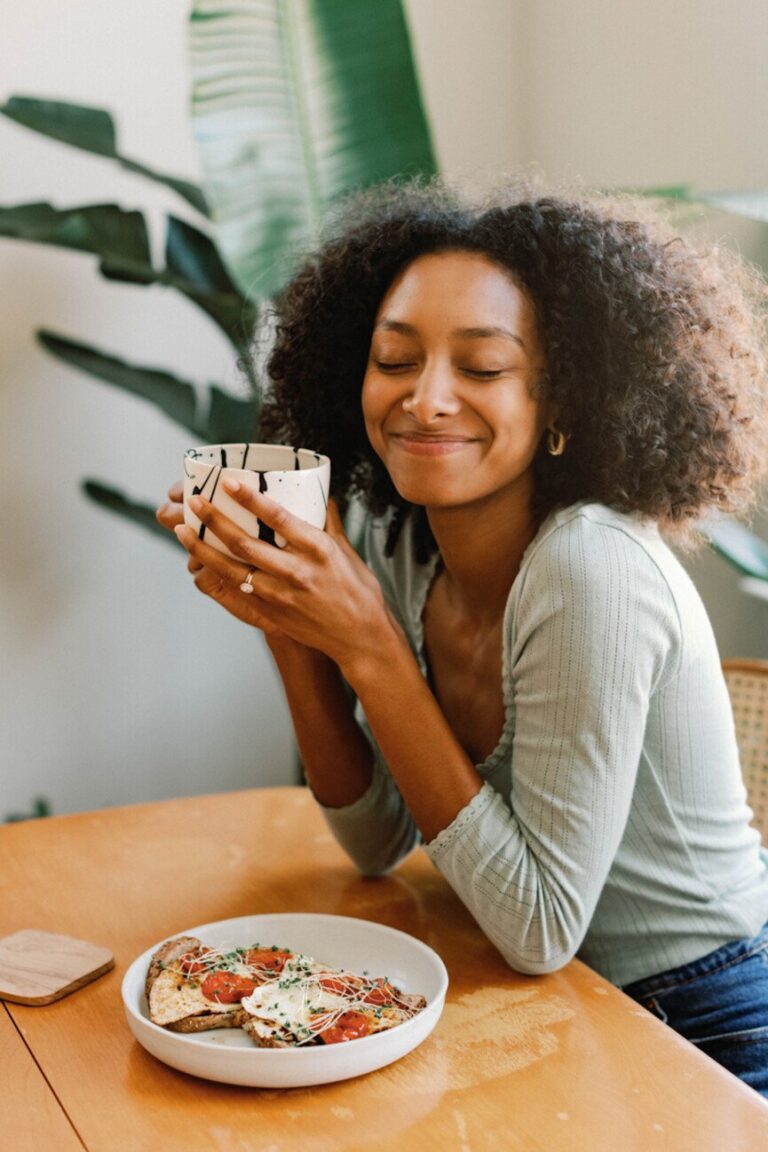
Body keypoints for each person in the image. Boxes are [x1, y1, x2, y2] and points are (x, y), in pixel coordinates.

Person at [157, 181, 768, 1094]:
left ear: (562, 403)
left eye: (481, 368)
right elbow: (375, 838)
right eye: (394, 359)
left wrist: (368, 647)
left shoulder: (590, 568)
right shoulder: (411, 542)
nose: (425, 399)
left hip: (702, 1020)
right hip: (552, 997)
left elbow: (539, 929)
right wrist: (288, 625)